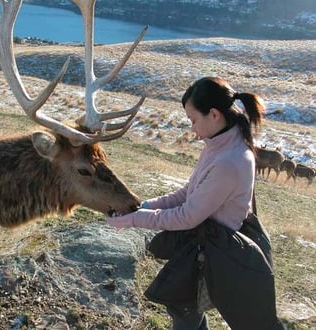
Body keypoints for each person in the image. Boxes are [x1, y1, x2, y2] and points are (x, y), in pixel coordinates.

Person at [107, 76, 283, 329]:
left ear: (214, 114)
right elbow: (189, 192)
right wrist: (144, 206)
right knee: (181, 302)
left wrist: (134, 219)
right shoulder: (220, 144)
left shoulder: (230, 161)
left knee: (185, 303)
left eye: (193, 120)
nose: (192, 129)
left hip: (218, 249)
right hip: (207, 239)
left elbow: (187, 216)